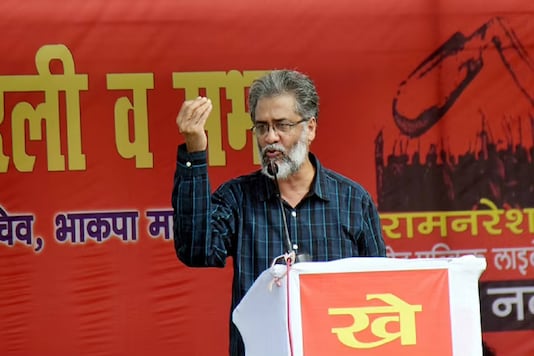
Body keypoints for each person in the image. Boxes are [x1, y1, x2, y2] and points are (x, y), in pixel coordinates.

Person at [171, 69, 386, 356]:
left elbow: (382, 287)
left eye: (282, 125)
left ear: (310, 128)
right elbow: (196, 251)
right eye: (262, 127)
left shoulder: (351, 200)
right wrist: (195, 150)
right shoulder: (238, 198)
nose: (271, 138)